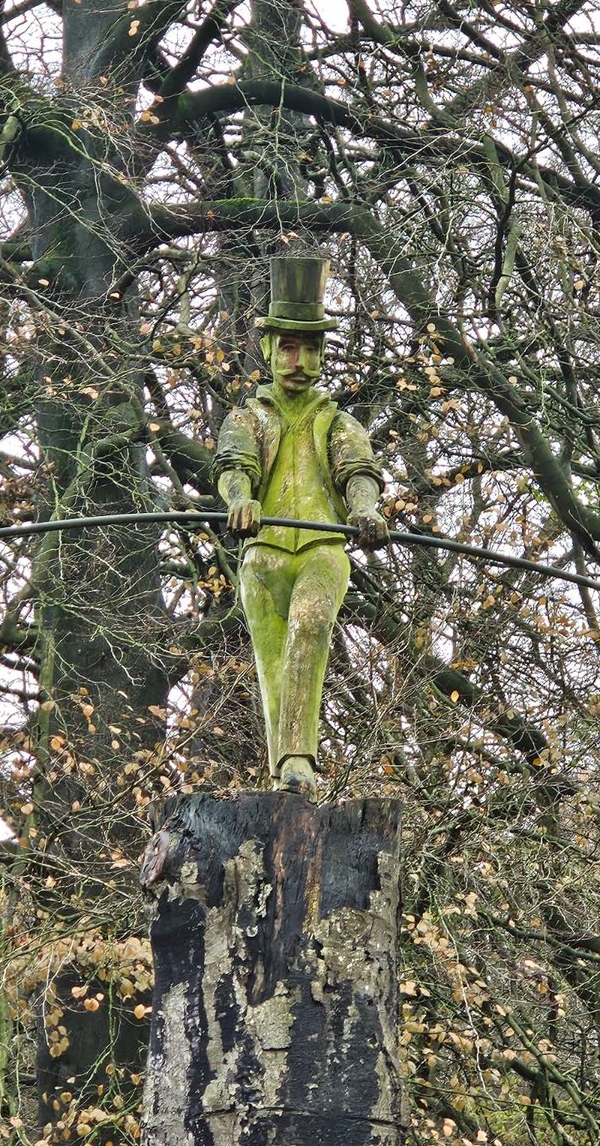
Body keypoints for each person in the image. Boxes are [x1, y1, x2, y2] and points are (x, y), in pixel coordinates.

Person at [214, 258, 388, 797]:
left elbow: (357, 472)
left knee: (309, 630)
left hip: (320, 549)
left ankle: (298, 759)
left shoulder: (336, 420)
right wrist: (241, 500)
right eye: (289, 347)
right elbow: (234, 469)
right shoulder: (249, 418)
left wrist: (365, 510)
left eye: (311, 348)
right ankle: (281, 772)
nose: (300, 360)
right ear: (268, 351)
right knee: (271, 660)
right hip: (263, 554)